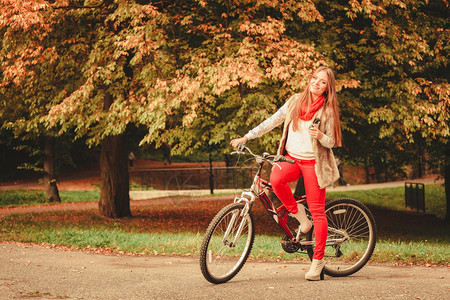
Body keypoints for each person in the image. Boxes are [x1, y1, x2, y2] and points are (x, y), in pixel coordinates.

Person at [230, 66, 342, 281]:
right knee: (276, 179)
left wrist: (320, 135)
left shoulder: (327, 110)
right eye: (314, 78)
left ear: (328, 88)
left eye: (322, 82)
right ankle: (300, 217)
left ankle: (318, 262)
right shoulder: (295, 101)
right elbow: (272, 121)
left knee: (318, 212)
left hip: (313, 163)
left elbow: (333, 142)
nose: (316, 83)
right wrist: (247, 137)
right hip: (290, 158)